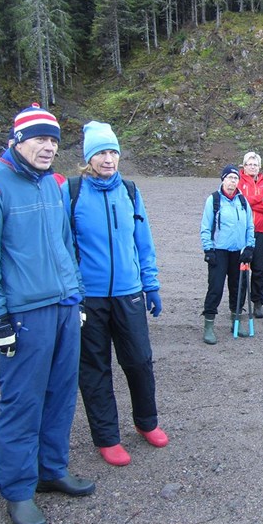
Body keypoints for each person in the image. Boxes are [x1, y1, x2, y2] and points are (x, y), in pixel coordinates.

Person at [0, 104, 94, 524]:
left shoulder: (53, 184)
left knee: (61, 394)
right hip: (24, 314)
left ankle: (51, 469)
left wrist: (76, 296)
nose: (48, 147)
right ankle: (18, 488)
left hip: (63, 307)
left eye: (54, 140)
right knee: (22, 402)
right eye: (40, 138)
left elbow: (65, 244)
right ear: (18, 140)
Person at [62, 121, 167, 468]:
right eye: (101, 153)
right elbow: (64, 245)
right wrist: (73, 290)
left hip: (129, 292)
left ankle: (146, 421)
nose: (108, 159)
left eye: (112, 152)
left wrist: (150, 284)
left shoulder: (131, 191)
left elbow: (143, 242)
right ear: (89, 157)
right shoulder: (72, 192)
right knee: (94, 367)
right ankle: (107, 437)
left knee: (139, 360)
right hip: (88, 297)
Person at [200, 164, 255, 344]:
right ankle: (209, 326)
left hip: (238, 252)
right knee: (215, 288)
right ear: (223, 179)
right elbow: (206, 227)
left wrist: (249, 247)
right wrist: (208, 249)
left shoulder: (242, 201)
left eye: (236, 178)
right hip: (219, 251)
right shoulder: (214, 200)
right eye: (230, 178)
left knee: (238, 287)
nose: (233, 181)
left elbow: (249, 226)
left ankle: (236, 322)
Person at [238, 151, 263, 319]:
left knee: (259, 269)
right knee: (240, 269)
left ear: (259, 167)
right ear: (244, 166)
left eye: (255, 164)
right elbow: (240, 202)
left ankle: (258, 301)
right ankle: (237, 302)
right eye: (249, 164)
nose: (252, 167)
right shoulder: (237, 181)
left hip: (261, 230)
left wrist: (250, 201)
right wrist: (257, 199)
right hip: (241, 232)